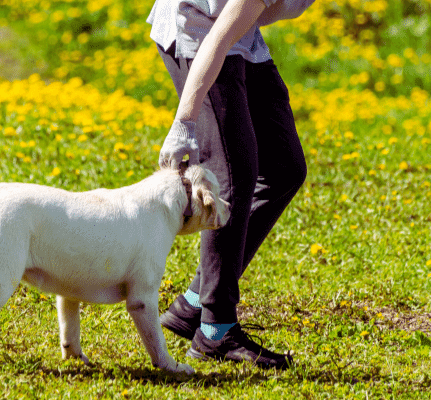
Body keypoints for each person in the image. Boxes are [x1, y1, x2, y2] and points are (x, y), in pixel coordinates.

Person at [147, 0, 314, 369]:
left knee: (284, 167)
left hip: (237, 31)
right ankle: (215, 329)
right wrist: (185, 121)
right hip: (198, 31)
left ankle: (193, 304)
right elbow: (219, 37)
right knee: (234, 177)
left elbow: (259, 14)